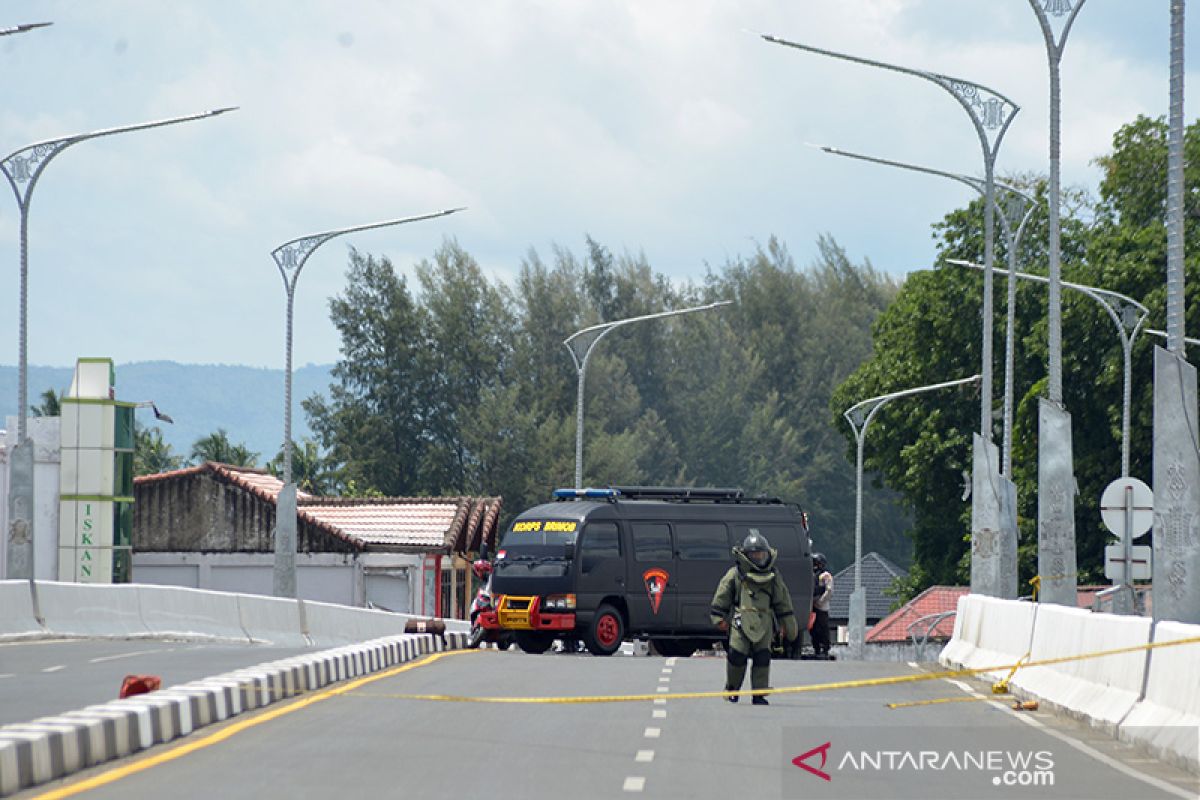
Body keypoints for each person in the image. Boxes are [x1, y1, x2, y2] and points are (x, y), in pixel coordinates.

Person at [710, 530, 798, 705]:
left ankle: (759, 693)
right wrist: (718, 617)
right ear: (746, 555)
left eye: (761, 554)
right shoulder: (735, 574)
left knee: (762, 657)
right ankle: (732, 689)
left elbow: (782, 601)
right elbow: (722, 595)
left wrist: (788, 624)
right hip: (740, 621)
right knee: (736, 655)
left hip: (764, 622)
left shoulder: (773, 577)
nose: (758, 558)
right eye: (754, 555)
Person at [811, 552, 833, 658]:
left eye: (816, 563)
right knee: (813, 629)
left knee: (823, 628)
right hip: (812, 606)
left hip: (822, 606)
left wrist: (821, 601)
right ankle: (816, 648)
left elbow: (829, 591)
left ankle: (825, 648)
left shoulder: (826, 575)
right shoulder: (812, 575)